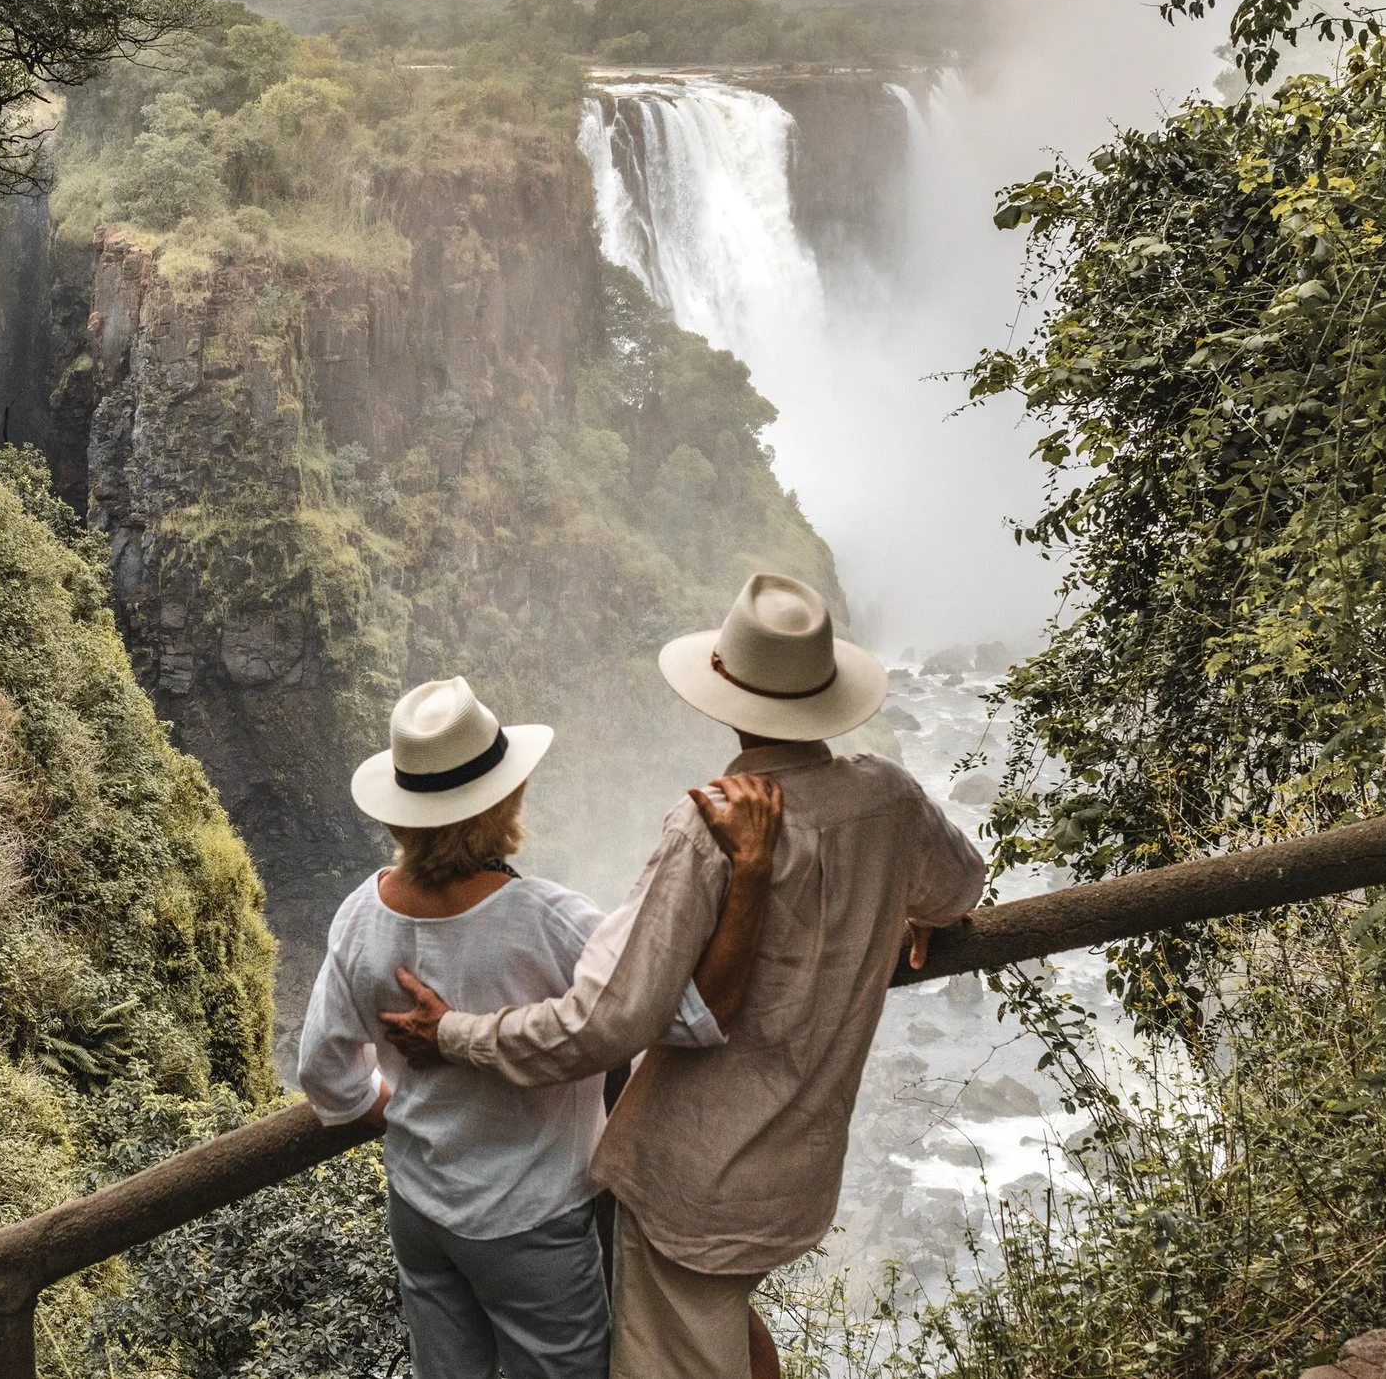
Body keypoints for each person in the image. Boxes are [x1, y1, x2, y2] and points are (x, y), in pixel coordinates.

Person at [382, 574, 987, 1379]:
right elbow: (961, 885)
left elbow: (602, 1023)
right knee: (725, 1334)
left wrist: (452, 1033)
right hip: (800, 1168)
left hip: (695, 1181)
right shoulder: (891, 799)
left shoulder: (708, 825)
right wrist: (915, 912)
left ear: (726, 690)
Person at [298, 676, 783, 1379]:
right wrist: (753, 875)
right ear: (501, 801)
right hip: (530, 1219)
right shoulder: (545, 920)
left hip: (418, 1206)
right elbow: (687, 1016)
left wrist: (405, 1115)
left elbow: (325, 1076)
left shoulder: (359, 916)